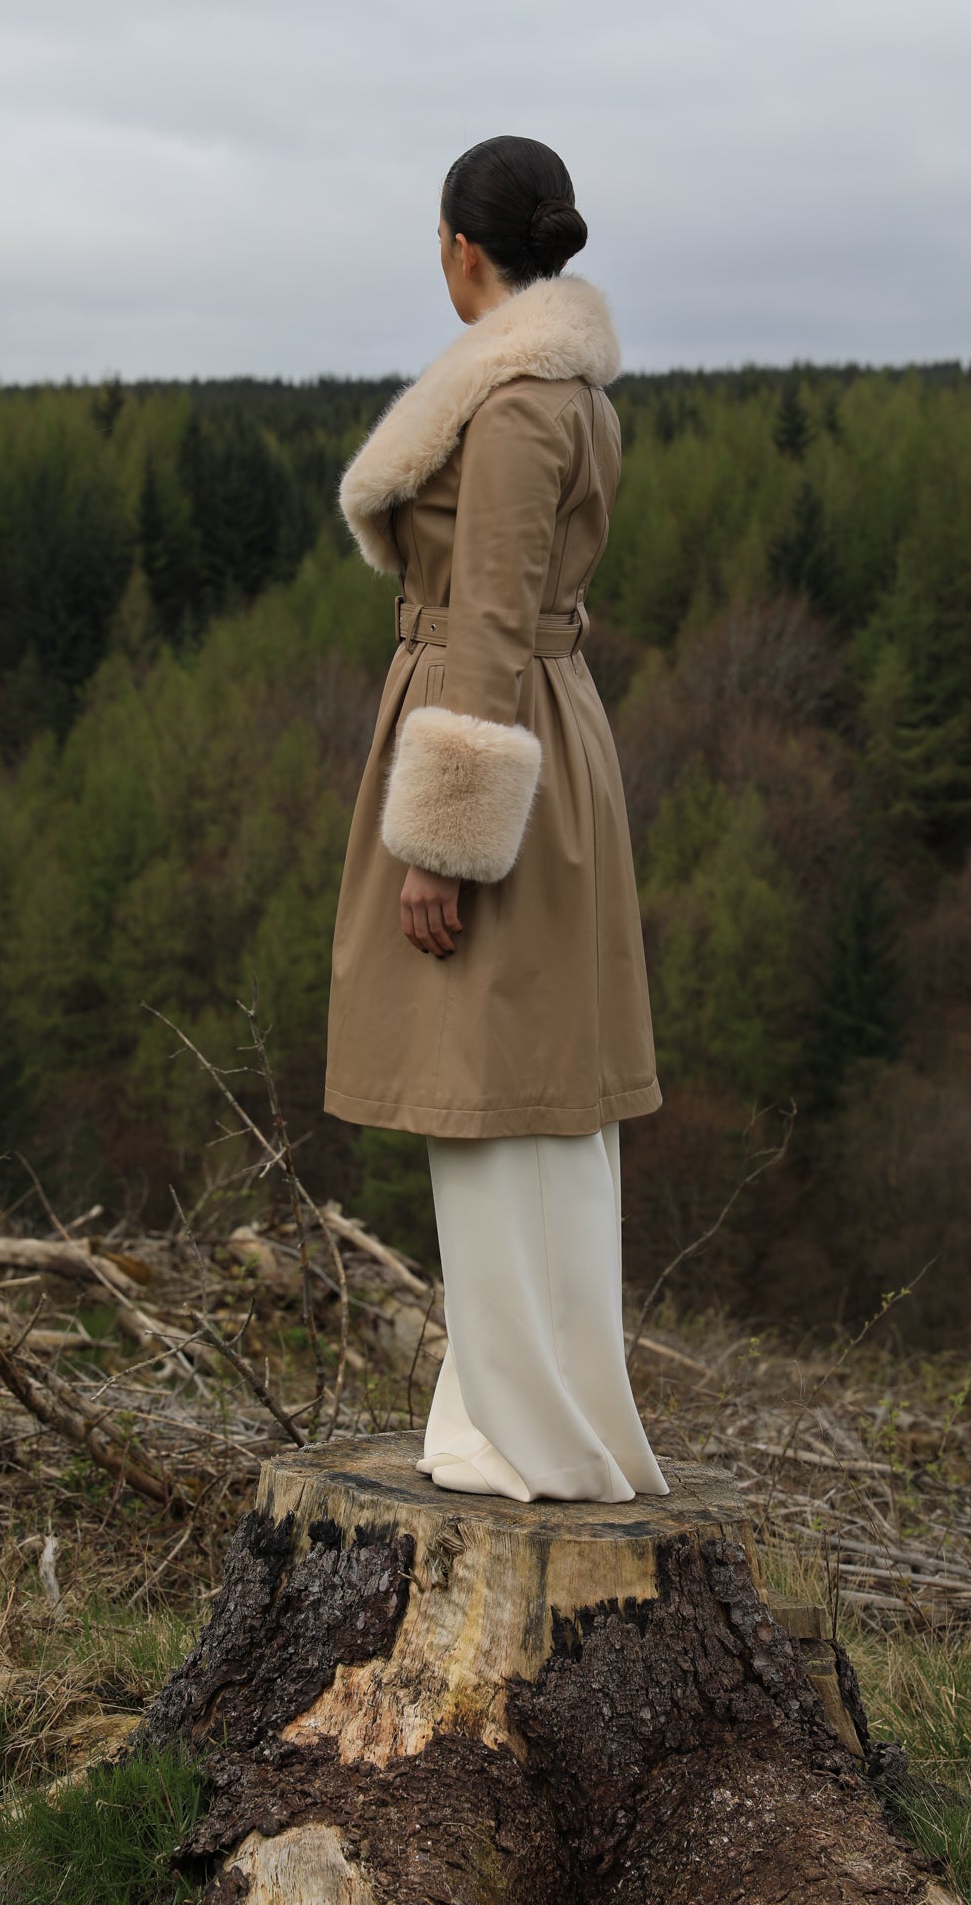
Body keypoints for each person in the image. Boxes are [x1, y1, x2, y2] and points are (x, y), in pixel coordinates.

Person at [324, 134, 668, 1504]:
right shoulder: (563, 388)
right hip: (528, 728)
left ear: (461, 249)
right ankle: (509, 1401)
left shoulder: (521, 403)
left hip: (488, 741)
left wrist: (442, 844)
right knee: (532, 1096)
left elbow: (492, 618)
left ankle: (522, 1429)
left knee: (493, 1092)